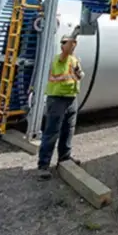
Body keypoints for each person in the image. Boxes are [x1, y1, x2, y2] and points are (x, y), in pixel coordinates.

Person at [37, 34, 84, 180]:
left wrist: (80, 74)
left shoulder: (75, 59)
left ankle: (64, 158)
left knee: (68, 131)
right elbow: (66, 52)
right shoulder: (60, 58)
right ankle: (43, 166)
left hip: (71, 98)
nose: (71, 45)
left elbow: (78, 76)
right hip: (57, 99)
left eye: (73, 43)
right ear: (62, 45)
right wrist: (74, 34)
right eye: (67, 43)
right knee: (52, 132)